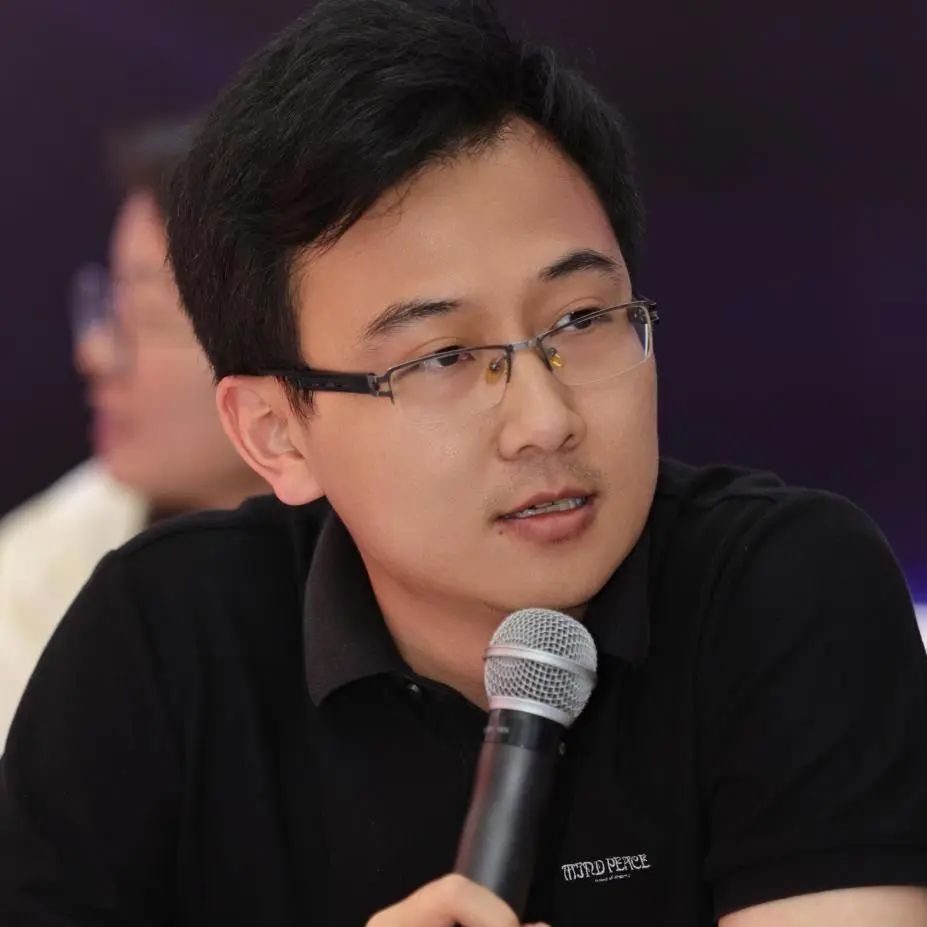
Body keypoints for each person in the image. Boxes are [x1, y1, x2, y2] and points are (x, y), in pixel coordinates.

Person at [2, 1, 927, 924]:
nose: (544, 420)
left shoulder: (783, 587)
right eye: (442, 357)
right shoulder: (163, 638)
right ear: (276, 432)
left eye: (580, 319)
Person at [0, 120, 267, 742]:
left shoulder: (410, 567)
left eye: (142, 318)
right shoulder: (48, 568)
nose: (95, 353)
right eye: (107, 307)